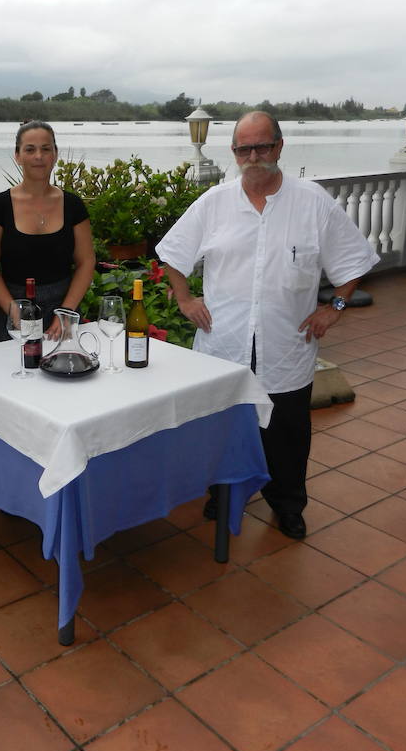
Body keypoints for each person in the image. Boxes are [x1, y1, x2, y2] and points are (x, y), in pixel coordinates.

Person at [155, 111, 379, 539]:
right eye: (244, 148)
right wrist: (184, 299)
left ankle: (288, 505)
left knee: (288, 434)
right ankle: (221, 496)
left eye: (262, 146)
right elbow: (174, 252)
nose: (253, 156)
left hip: (286, 343)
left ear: (279, 146)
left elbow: (354, 260)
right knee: (222, 427)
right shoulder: (215, 203)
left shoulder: (312, 201)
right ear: (234, 153)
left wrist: (334, 306)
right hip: (225, 341)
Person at [0, 120, 95, 340]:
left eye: (46, 149)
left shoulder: (73, 205)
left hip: (63, 311)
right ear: (18, 155)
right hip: (12, 312)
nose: (38, 156)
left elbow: (86, 262)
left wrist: (66, 312)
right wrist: (13, 310)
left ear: (55, 154)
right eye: (30, 149)